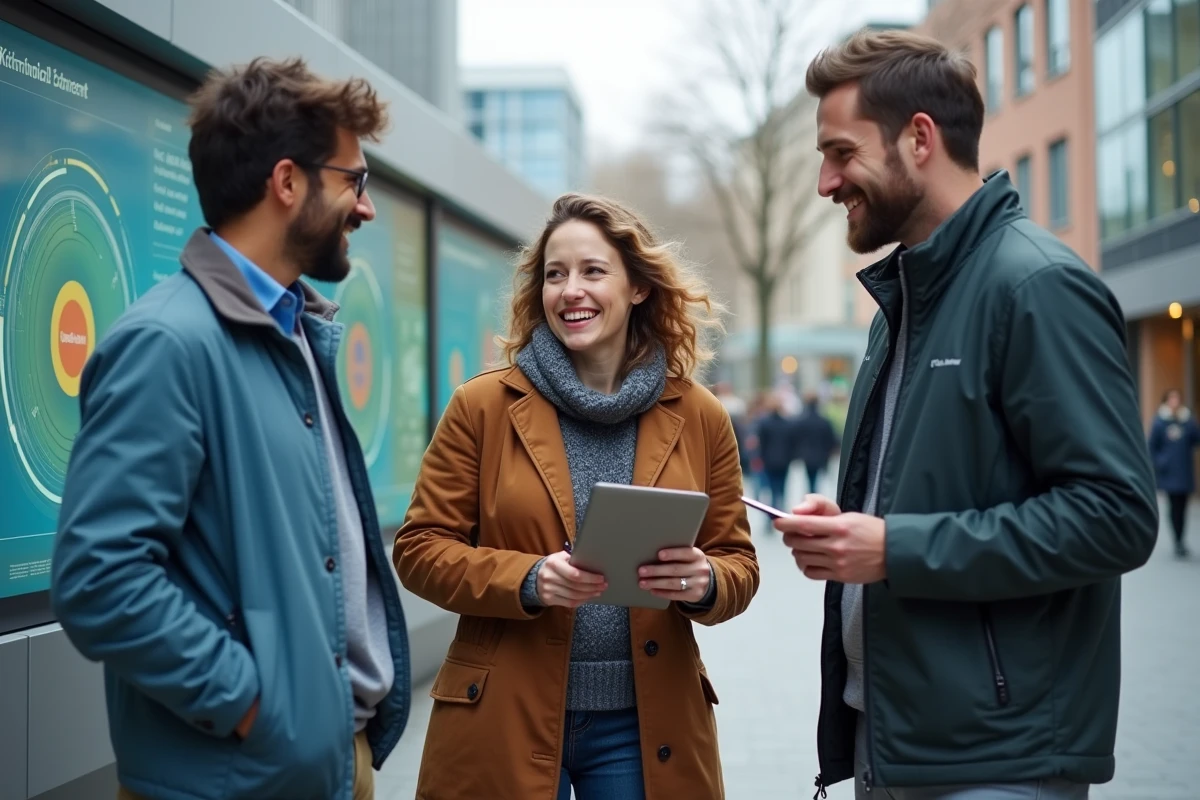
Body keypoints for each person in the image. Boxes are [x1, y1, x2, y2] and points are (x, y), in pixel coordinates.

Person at [777, 30, 1159, 800]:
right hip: (899, 745)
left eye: (841, 153)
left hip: (998, 765)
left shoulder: (1036, 287)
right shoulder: (903, 306)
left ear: (919, 138)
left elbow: (1116, 516)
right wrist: (852, 524)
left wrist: (895, 548)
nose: (826, 182)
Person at [50, 58, 411, 800]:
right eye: (355, 181)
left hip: (325, 762)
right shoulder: (166, 343)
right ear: (287, 183)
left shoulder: (297, 331)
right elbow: (100, 581)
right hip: (238, 772)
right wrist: (253, 706)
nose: (365, 208)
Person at [394, 193, 759, 799]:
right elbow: (419, 549)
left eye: (593, 271)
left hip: (643, 727)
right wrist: (530, 578)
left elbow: (738, 563)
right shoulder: (481, 407)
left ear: (638, 286)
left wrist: (706, 582)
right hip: (503, 711)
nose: (571, 291)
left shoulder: (700, 416)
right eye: (554, 275)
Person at [1149, 388, 1200, 558]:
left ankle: (1181, 540)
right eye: (1171, 398)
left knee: (1183, 506)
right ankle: (1177, 541)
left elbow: (1196, 440)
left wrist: (1191, 423)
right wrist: (1161, 462)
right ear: (1166, 400)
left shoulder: (1186, 420)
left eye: (1177, 398)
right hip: (1169, 472)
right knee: (1174, 506)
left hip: (1184, 470)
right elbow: (1152, 447)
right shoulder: (1159, 422)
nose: (1175, 402)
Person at [754, 392, 799, 512]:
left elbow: (761, 443)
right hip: (784, 460)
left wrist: (760, 457)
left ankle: (773, 511)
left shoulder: (764, 423)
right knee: (782, 487)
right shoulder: (787, 423)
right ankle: (780, 508)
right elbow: (792, 443)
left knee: (772, 488)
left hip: (769, 460)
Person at [793, 390, 837, 494]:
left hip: (806, 454)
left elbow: (796, 438)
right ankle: (813, 493)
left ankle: (812, 493)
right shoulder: (824, 421)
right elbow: (831, 438)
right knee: (816, 478)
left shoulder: (801, 421)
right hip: (821, 454)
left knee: (810, 477)